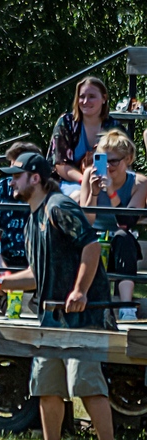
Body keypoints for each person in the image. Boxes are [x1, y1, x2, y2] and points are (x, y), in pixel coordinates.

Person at [0, 152, 120, 440]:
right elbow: (34, 275)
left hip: (81, 313)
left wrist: (80, 289)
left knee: (85, 381)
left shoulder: (59, 207)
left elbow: (91, 246)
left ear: (35, 178)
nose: (10, 181)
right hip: (50, 315)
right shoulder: (32, 221)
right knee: (47, 383)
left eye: (16, 175)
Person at [78, 129, 147, 320]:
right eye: (102, 160)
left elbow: (126, 222)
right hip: (94, 235)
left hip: (121, 236)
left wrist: (110, 192)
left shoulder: (139, 183)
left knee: (123, 239)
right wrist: (93, 193)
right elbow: (87, 221)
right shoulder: (89, 176)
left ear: (128, 160)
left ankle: (126, 307)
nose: (107, 167)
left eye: (113, 161)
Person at [0, 142, 42, 313]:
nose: (12, 180)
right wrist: (1, 268)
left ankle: (41, 300)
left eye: (18, 173)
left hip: (35, 259)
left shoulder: (46, 191)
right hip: (5, 256)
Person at [48, 77, 125, 199]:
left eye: (91, 96)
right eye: (82, 96)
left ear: (104, 98)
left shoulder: (115, 128)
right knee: (80, 196)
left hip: (108, 183)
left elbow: (124, 164)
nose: (85, 101)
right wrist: (85, 181)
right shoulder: (66, 123)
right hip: (71, 183)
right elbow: (60, 165)